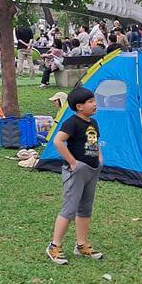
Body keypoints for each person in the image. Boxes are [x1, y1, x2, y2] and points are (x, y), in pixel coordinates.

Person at [46, 87, 104, 265]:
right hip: (76, 171)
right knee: (69, 209)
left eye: (94, 100)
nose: (95, 104)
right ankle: (54, 246)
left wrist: (99, 158)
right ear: (79, 106)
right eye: (90, 102)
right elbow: (58, 141)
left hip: (92, 169)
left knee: (85, 209)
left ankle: (81, 244)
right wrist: (72, 162)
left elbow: (94, 142)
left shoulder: (93, 123)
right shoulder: (72, 123)